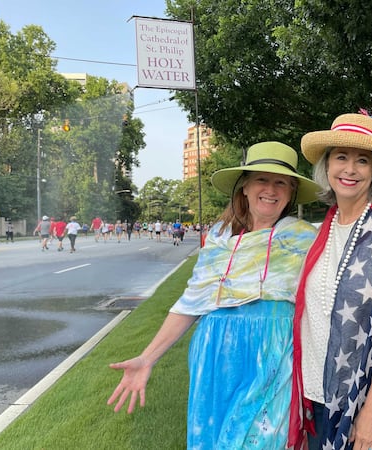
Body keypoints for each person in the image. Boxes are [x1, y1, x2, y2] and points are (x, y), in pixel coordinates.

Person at [107, 141, 320, 449]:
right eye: (262, 179)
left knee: (262, 440)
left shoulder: (305, 239)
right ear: (244, 187)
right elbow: (191, 303)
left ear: (291, 193)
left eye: (281, 183)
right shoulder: (219, 242)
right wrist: (146, 358)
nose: (270, 190)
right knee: (215, 440)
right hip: (216, 356)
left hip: (274, 352)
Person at [288, 112, 372, 450]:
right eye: (341, 157)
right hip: (316, 396)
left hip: (364, 400)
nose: (350, 169)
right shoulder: (321, 231)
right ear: (327, 165)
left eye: (362, 160)